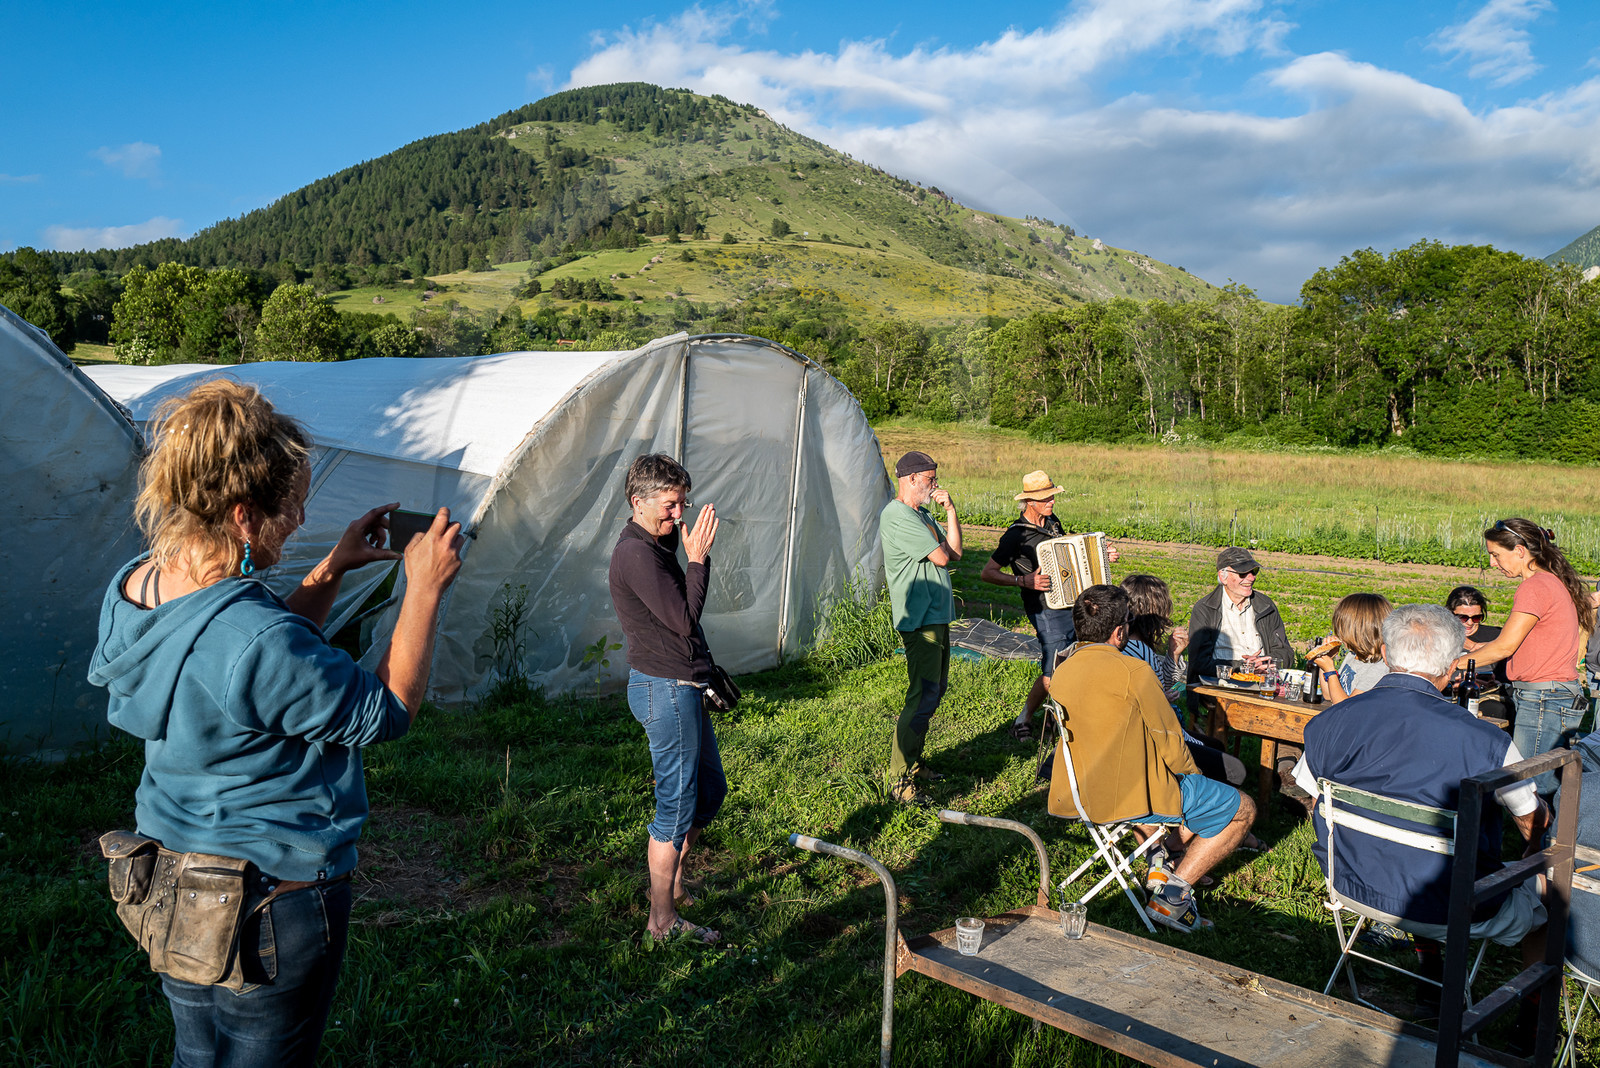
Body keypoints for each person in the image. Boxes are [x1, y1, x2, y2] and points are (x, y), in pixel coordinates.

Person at [88, 379, 464, 1068]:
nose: (298, 520)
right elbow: (386, 710)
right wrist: (424, 589)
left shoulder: (136, 586)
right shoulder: (254, 638)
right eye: (291, 507)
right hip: (267, 902)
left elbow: (241, 664)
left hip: (171, 881)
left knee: (197, 1055)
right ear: (242, 516)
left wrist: (332, 568)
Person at [1293, 605, 1549, 956]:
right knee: (1553, 885)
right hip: (1451, 905)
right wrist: (1534, 849)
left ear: (1385, 654)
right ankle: (1539, 991)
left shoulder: (1330, 721)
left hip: (1351, 885)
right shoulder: (1488, 741)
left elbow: (1315, 797)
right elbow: (1530, 820)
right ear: (1451, 666)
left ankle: (1427, 960)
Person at [1047, 584, 1256, 934]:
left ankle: (1161, 860)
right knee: (1242, 808)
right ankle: (1172, 897)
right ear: (1119, 632)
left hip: (1077, 792)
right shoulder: (1133, 671)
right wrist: (1193, 777)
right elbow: (1169, 739)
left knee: (1202, 795)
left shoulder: (1062, 670)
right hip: (1130, 797)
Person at [609, 453, 728, 943]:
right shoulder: (635, 554)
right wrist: (697, 559)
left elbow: (678, 614)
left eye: (683, 504)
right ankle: (661, 921)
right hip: (665, 689)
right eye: (670, 505)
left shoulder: (655, 546)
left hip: (682, 686)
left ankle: (672, 882)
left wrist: (687, 552)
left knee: (710, 791)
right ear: (638, 501)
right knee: (675, 807)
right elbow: (683, 618)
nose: (679, 515)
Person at [1452, 519, 1595, 796]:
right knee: (1543, 785)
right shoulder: (1550, 582)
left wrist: (1450, 664)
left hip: (1544, 699)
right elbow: (1522, 643)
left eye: (1496, 554)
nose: (1492, 563)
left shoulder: (1534, 587)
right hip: (1551, 695)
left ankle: (1544, 827)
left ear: (1519, 551)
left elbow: (1505, 647)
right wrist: (1479, 652)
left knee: (1531, 787)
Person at [978, 469, 1117, 741]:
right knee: (1053, 670)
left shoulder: (1053, 522)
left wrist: (1102, 555)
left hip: (1071, 604)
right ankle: (1025, 719)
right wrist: (1022, 580)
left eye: (1052, 496)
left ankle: (1058, 720)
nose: (1052, 501)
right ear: (1030, 502)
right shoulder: (1016, 536)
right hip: (1043, 610)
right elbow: (987, 573)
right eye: (1045, 498)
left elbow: (1070, 560)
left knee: (1073, 661)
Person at [879, 450, 962, 804]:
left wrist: (951, 512)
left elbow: (956, 551)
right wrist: (940, 541)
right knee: (922, 693)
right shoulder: (898, 516)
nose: (935, 485)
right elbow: (942, 557)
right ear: (911, 479)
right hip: (920, 619)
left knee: (934, 691)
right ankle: (898, 778)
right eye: (930, 479)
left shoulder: (923, 514)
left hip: (936, 615)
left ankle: (912, 762)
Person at [1121, 573, 1250, 793]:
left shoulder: (1133, 644)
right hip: (1155, 737)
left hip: (1155, 730)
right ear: (1154, 610)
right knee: (1235, 769)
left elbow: (1163, 686)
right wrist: (1160, 697)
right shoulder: (1138, 648)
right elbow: (1152, 696)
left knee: (1216, 746)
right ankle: (1199, 801)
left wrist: (1173, 654)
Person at [1185, 546, 1294, 685]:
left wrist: (1266, 663)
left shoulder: (1266, 606)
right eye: (1243, 573)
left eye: (1254, 571)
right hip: (1222, 686)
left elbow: (1286, 652)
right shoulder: (1205, 609)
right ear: (1223, 577)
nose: (1251, 578)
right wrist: (1244, 667)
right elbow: (1199, 662)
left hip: (1262, 684)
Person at [1306, 593, 1392, 705]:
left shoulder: (1380, 668)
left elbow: (1346, 707)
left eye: (1342, 629)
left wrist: (1331, 671)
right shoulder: (1352, 656)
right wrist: (1326, 661)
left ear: (1358, 631)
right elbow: (1328, 695)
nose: (1339, 634)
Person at [1444, 586, 1509, 718]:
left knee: (1496, 708)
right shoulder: (1438, 636)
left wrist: (1491, 684)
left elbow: (1505, 678)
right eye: (1462, 618)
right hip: (1446, 693)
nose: (1469, 623)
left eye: (1476, 618)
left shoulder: (1495, 636)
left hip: (1484, 697)